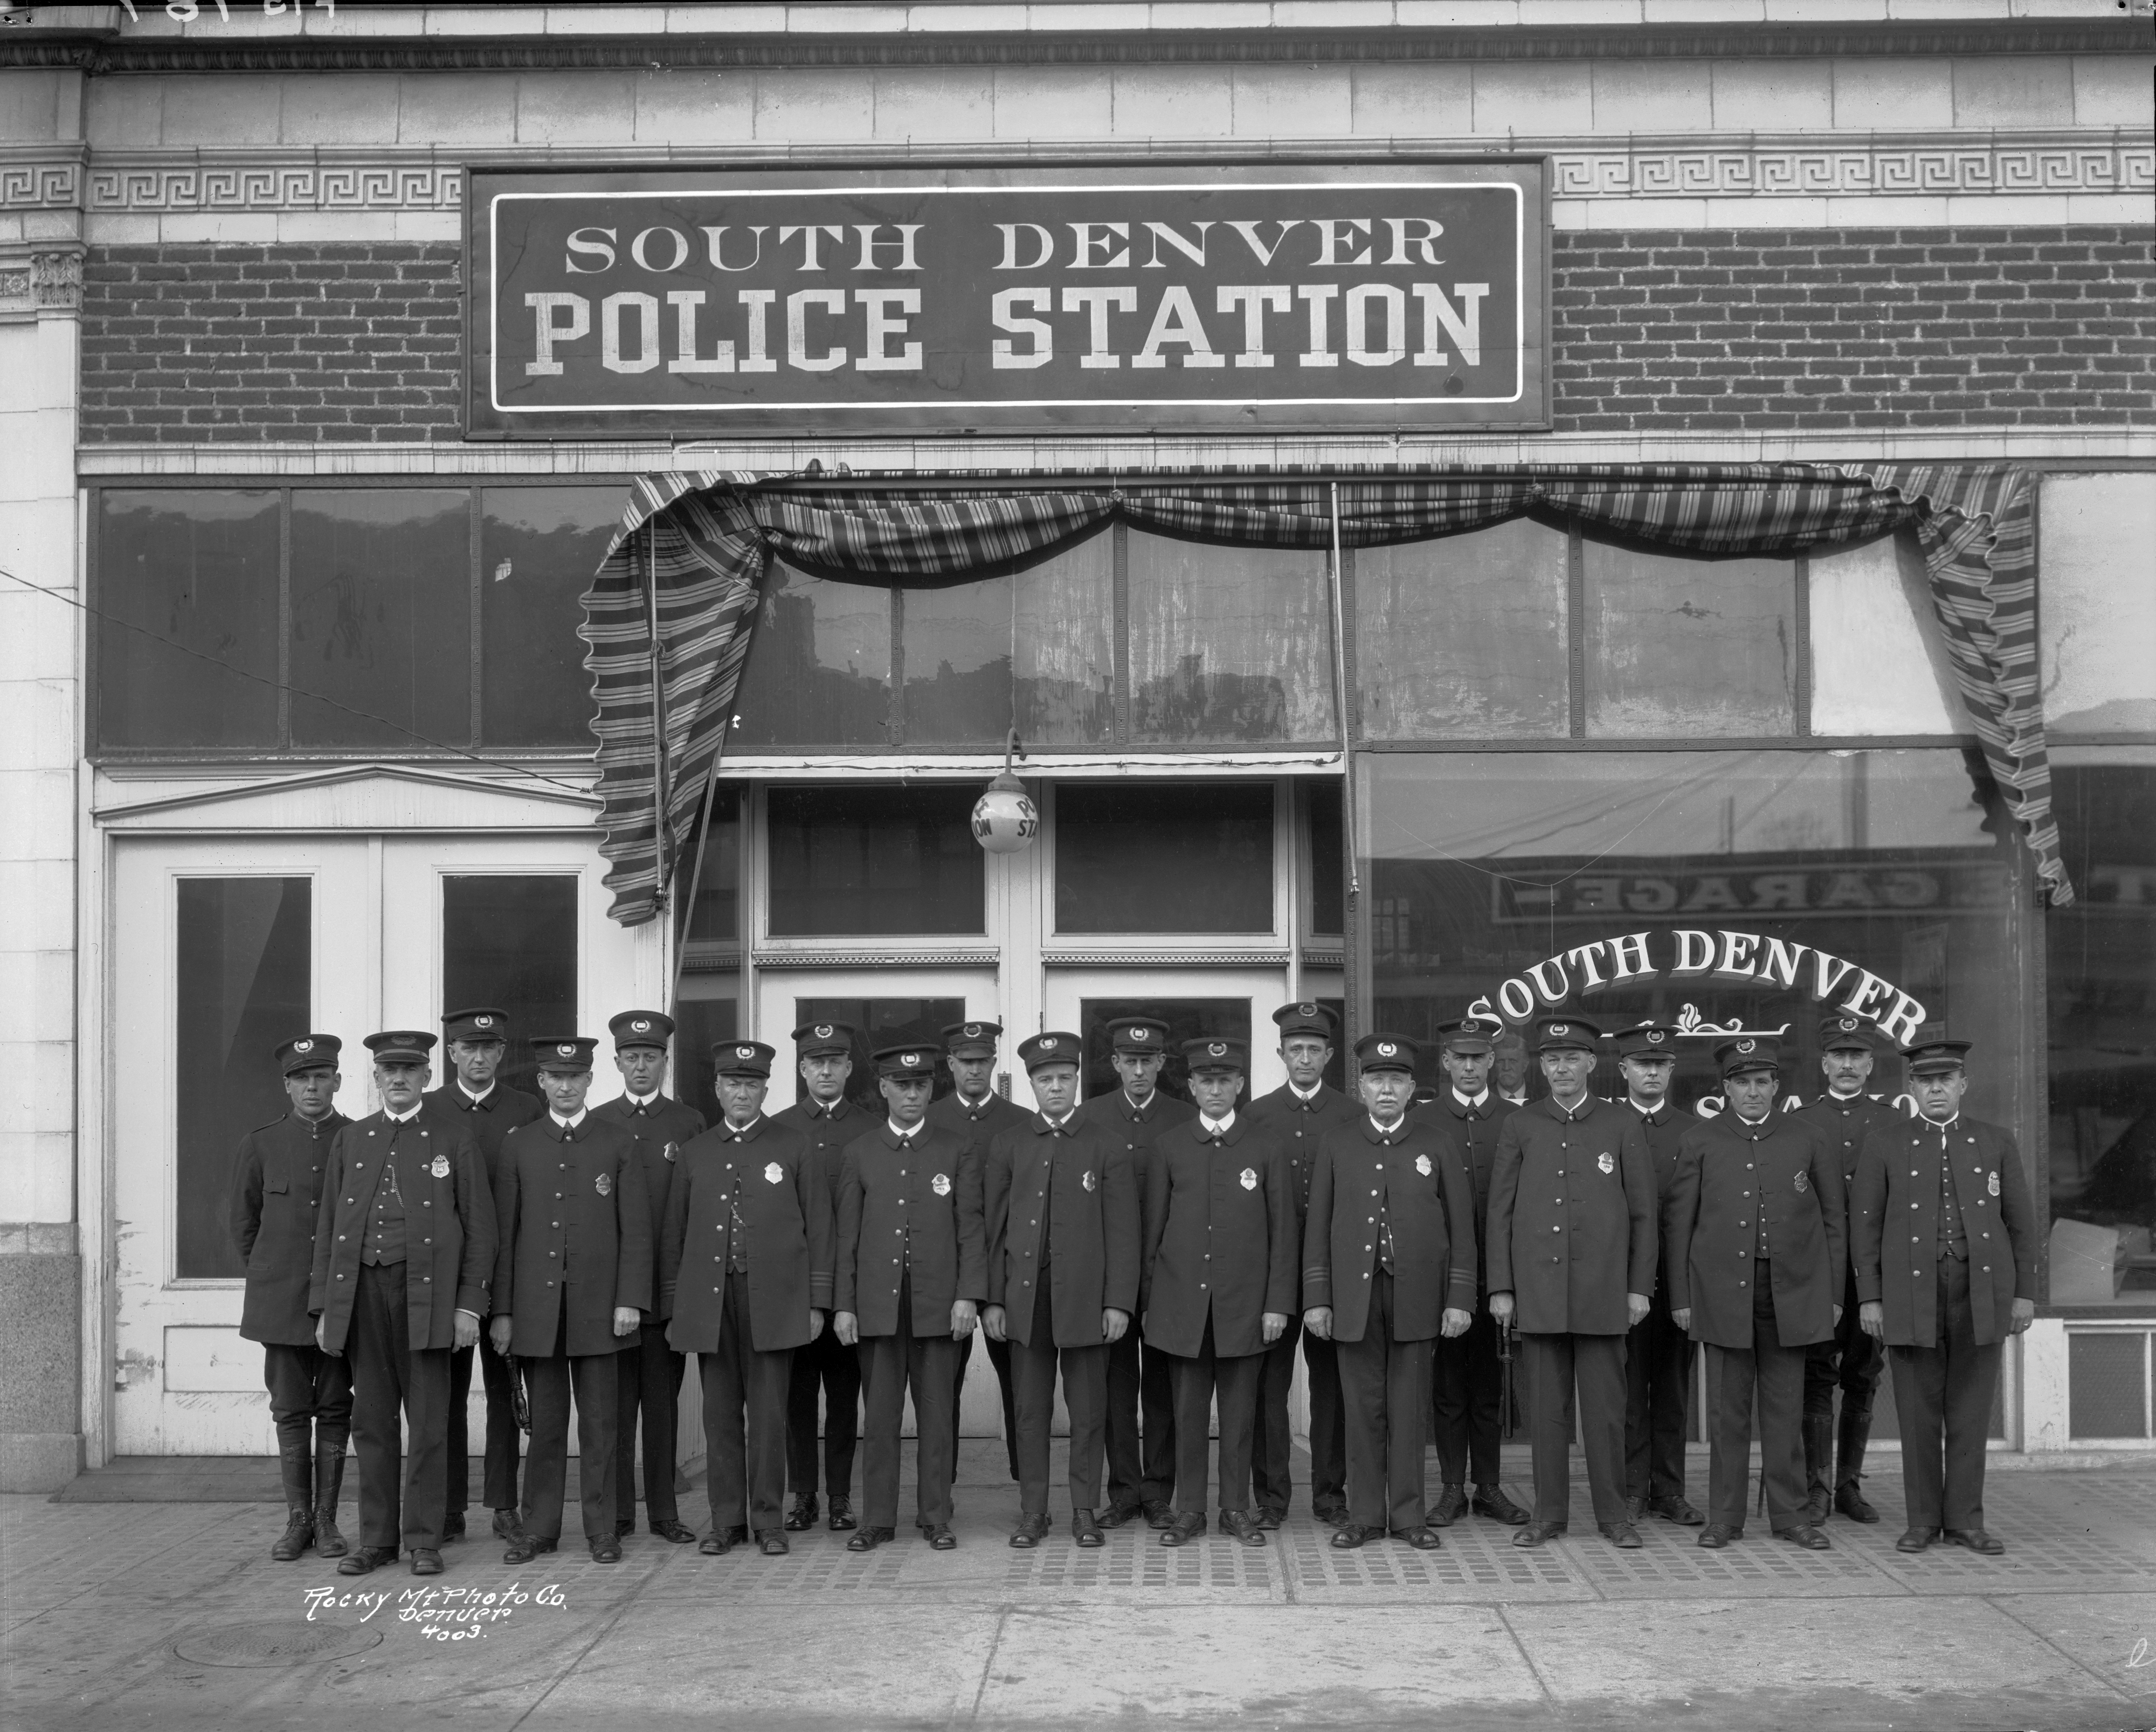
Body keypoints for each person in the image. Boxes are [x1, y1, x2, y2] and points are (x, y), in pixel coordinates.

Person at [308, 1030, 493, 1578]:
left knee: (430, 1422)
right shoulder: (352, 1139)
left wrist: (469, 1306)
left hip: (429, 1298)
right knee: (371, 1421)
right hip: (363, 1295)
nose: (399, 1079)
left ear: (427, 1077)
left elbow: (481, 1230)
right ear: (376, 1077)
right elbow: (329, 1228)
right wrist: (325, 1307)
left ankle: (425, 1540)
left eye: (410, 1070)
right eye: (389, 1070)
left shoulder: (454, 1139)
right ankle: (377, 1540)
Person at [1854, 1035, 2037, 1555]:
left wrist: (2023, 1295)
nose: (1936, 1089)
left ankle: (1965, 1521)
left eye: (1945, 1080)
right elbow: (1865, 1230)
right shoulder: (1885, 1143)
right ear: (1911, 1088)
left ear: (1963, 1085)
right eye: (1926, 1081)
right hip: (1910, 1295)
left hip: (1980, 1292)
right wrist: (1871, 1298)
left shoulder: (1995, 1141)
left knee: (1971, 1413)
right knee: (1917, 1413)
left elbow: (2021, 1224)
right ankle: (1921, 1521)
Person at [1665, 1037, 1845, 1551]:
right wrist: (1682, 1297)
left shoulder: (1808, 1137)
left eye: (1761, 1082)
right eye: (1741, 1082)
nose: (1752, 1092)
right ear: (1726, 1088)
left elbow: (1834, 1221)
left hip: (1792, 1293)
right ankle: (1725, 1517)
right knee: (1727, 1412)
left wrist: (1831, 1294)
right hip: (1722, 1294)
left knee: (1785, 1410)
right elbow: (1680, 1226)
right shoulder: (1700, 1140)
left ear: (1776, 1086)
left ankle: (1791, 1517)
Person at [1487, 1015, 1656, 1549]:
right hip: (1539, 1293)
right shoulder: (1522, 1124)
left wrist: (1638, 1287)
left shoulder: (1620, 1124)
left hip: (1604, 1294)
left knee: (1606, 1414)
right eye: (1552, 1059)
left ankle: (1613, 1516)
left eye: (1571, 1059)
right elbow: (1500, 1212)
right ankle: (1548, 1516)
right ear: (1542, 1067)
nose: (1562, 1068)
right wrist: (1501, 1287)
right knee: (1546, 1414)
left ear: (1590, 1063)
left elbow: (1643, 1214)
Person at [1303, 1034, 1476, 1550]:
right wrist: (1318, 1297)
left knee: (1409, 1410)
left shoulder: (1436, 1143)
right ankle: (1363, 1516)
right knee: (1361, 1411)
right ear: (1361, 1087)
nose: (1386, 1089)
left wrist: (1459, 1299)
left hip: (1417, 1297)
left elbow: (1461, 1228)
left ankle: (1407, 1517)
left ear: (1411, 1088)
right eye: (1377, 1080)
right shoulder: (1337, 1142)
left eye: (1396, 1080)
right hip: (1354, 1299)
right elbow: (1318, 1227)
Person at [661, 1040, 833, 1557]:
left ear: (765, 1089)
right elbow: (674, 1235)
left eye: (752, 1084)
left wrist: (816, 1303)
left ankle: (768, 1521)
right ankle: (726, 1521)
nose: (742, 1093)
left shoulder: (794, 1145)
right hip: (711, 1304)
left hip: (775, 1301)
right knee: (719, 1418)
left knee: (769, 1418)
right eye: (733, 1083)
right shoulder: (695, 1152)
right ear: (717, 1088)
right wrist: (675, 1307)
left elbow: (819, 1228)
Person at [493, 1037, 649, 1565]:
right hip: (538, 1312)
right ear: (542, 1081)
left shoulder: (618, 1141)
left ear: (589, 1081)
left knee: (601, 1425)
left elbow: (636, 1230)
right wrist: (505, 1312)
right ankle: (540, 1528)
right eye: (556, 1077)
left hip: (601, 1310)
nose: (565, 1086)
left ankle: (602, 1529)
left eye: (575, 1077)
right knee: (546, 1427)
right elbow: (506, 1235)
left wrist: (629, 1300)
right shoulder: (519, 1145)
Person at [983, 1031, 1138, 1550]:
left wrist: (1118, 1302)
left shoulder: (1106, 1145)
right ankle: (1033, 1511)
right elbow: (994, 1231)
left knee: (1089, 1412)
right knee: (1029, 1413)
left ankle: (1084, 1510)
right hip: (1025, 1302)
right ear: (1031, 1084)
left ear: (1077, 1081)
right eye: (1045, 1079)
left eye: (1064, 1078)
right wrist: (994, 1300)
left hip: (1087, 1302)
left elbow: (1124, 1233)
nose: (1056, 1087)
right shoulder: (1009, 1144)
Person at [1141, 1038, 1297, 1548]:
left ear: (1240, 1085)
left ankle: (1234, 1508)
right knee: (1186, 1414)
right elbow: (1153, 1232)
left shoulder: (1266, 1146)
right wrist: (1149, 1305)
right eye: (1206, 1081)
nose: (1215, 1089)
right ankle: (1189, 1510)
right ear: (1191, 1086)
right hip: (1182, 1307)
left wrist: (1277, 1304)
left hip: (1245, 1308)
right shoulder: (1169, 1146)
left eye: (1225, 1080)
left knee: (1240, 1415)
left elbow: (1282, 1234)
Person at [833, 1045, 985, 1551]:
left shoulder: (956, 1149)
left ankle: (935, 1515)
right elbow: (847, 1237)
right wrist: (845, 1304)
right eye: (902, 1085)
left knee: (937, 1416)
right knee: (879, 1418)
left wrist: (968, 1296)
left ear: (931, 1088)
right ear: (883, 1088)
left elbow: (971, 1230)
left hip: (939, 1306)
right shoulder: (860, 1152)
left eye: (921, 1085)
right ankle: (877, 1518)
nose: (912, 1094)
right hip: (878, 1306)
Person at [229, 1033, 354, 1561]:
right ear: (287, 1085)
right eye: (302, 1078)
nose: (312, 1086)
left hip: (341, 1303)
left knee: (335, 1407)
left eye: (321, 1076)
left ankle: (327, 1520)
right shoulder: (260, 1144)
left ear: (337, 1081)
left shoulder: (357, 1138)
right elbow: (244, 1225)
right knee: (289, 1410)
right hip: (280, 1302)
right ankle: (298, 1520)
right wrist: (275, 1275)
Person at [423, 1007, 542, 1543]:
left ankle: (503, 1503)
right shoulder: (429, 1108)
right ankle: (450, 1506)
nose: (478, 1057)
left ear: (501, 1053)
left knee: (505, 1392)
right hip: (447, 1276)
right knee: (444, 1396)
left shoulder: (525, 1107)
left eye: (488, 1048)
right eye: (468, 1047)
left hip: (507, 1269)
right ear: (451, 1052)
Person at [589, 1009, 705, 1545]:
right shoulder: (597, 1122)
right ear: (617, 1063)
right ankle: (617, 1515)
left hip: (665, 1294)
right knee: (613, 1412)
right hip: (611, 1295)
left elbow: (696, 1212)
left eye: (651, 1057)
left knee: (662, 1410)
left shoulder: (688, 1123)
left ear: (664, 1062)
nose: (641, 1066)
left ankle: (663, 1512)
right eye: (632, 1057)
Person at [1076, 1014, 1193, 1529]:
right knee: (1116, 1390)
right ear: (1115, 1063)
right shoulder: (1090, 1117)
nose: (1140, 1071)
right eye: (1131, 1061)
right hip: (1110, 1276)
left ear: (1162, 1062)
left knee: (1163, 1388)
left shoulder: (1185, 1117)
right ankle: (1124, 1491)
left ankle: (1159, 1490)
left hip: (1171, 1275)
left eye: (1148, 1060)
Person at [1243, 1002, 1359, 1527]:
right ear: (1281, 1053)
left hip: (1334, 1273)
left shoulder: (1351, 1115)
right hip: (1271, 1273)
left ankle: (1330, 1495)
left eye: (1314, 1049)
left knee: (1331, 1387)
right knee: (1268, 1388)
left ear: (1329, 1055)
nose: (1305, 1058)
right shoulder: (1257, 1116)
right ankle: (1271, 1498)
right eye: (1296, 1049)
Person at [1793, 1013, 1903, 1525]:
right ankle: (1816, 1487)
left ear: (1871, 1064)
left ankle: (1848, 1487)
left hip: (1869, 1275)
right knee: (1816, 1374)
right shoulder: (1802, 1121)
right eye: (1839, 1055)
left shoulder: (1891, 1122)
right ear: (1824, 1064)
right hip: (1817, 1272)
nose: (1848, 1065)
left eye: (1857, 1056)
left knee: (1863, 1375)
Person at [1423, 1017, 1530, 1529]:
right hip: (1441, 1280)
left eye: (1478, 1058)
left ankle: (1488, 1487)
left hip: (1498, 1278)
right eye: (1459, 1058)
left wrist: (1509, 1281)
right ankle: (1451, 1489)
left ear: (1492, 1062)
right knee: (1447, 1389)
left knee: (1490, 1388)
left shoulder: (1516, 1119)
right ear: (1446, 1062)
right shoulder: (1423, 1121)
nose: (1469, 1067)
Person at [924, 1019, 1030, 1481]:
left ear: (994, 1063)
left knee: (1022, 1383)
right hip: (950, 1274)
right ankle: (940, 1489)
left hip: (1010, 1270)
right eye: (965, 1061)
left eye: (982, 1061)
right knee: (942, 1385)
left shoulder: (1021, 1121)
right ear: (950, 1064)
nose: (974, 1069)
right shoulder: (930, 1121)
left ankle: (1028, 1485)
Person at [772, 1021, 864, 1534]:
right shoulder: (780, 1129)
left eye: (834, 1062)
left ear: (849, 1068)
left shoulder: (871, 1129)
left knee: (845, 1399)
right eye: (816, 1063)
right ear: (802, 1069)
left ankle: (840, 1497)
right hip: (795, 1288)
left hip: (850, 1289)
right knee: (798, 1398)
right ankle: (803, 1495)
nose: (825, 1071)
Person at [1613, 1020, 1703, 1528]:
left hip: (1675, 1280)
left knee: (1672, 1388)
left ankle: (1669, 1489)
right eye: (1642, 1064)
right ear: (1623, 1069)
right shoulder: (1606, 1124)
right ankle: (1631, 1489)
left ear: (1672, 1070)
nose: (1652, 1072)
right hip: (1620, 1278)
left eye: (1661, 1064)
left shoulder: (1692, 1130)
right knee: (1627, 1388)